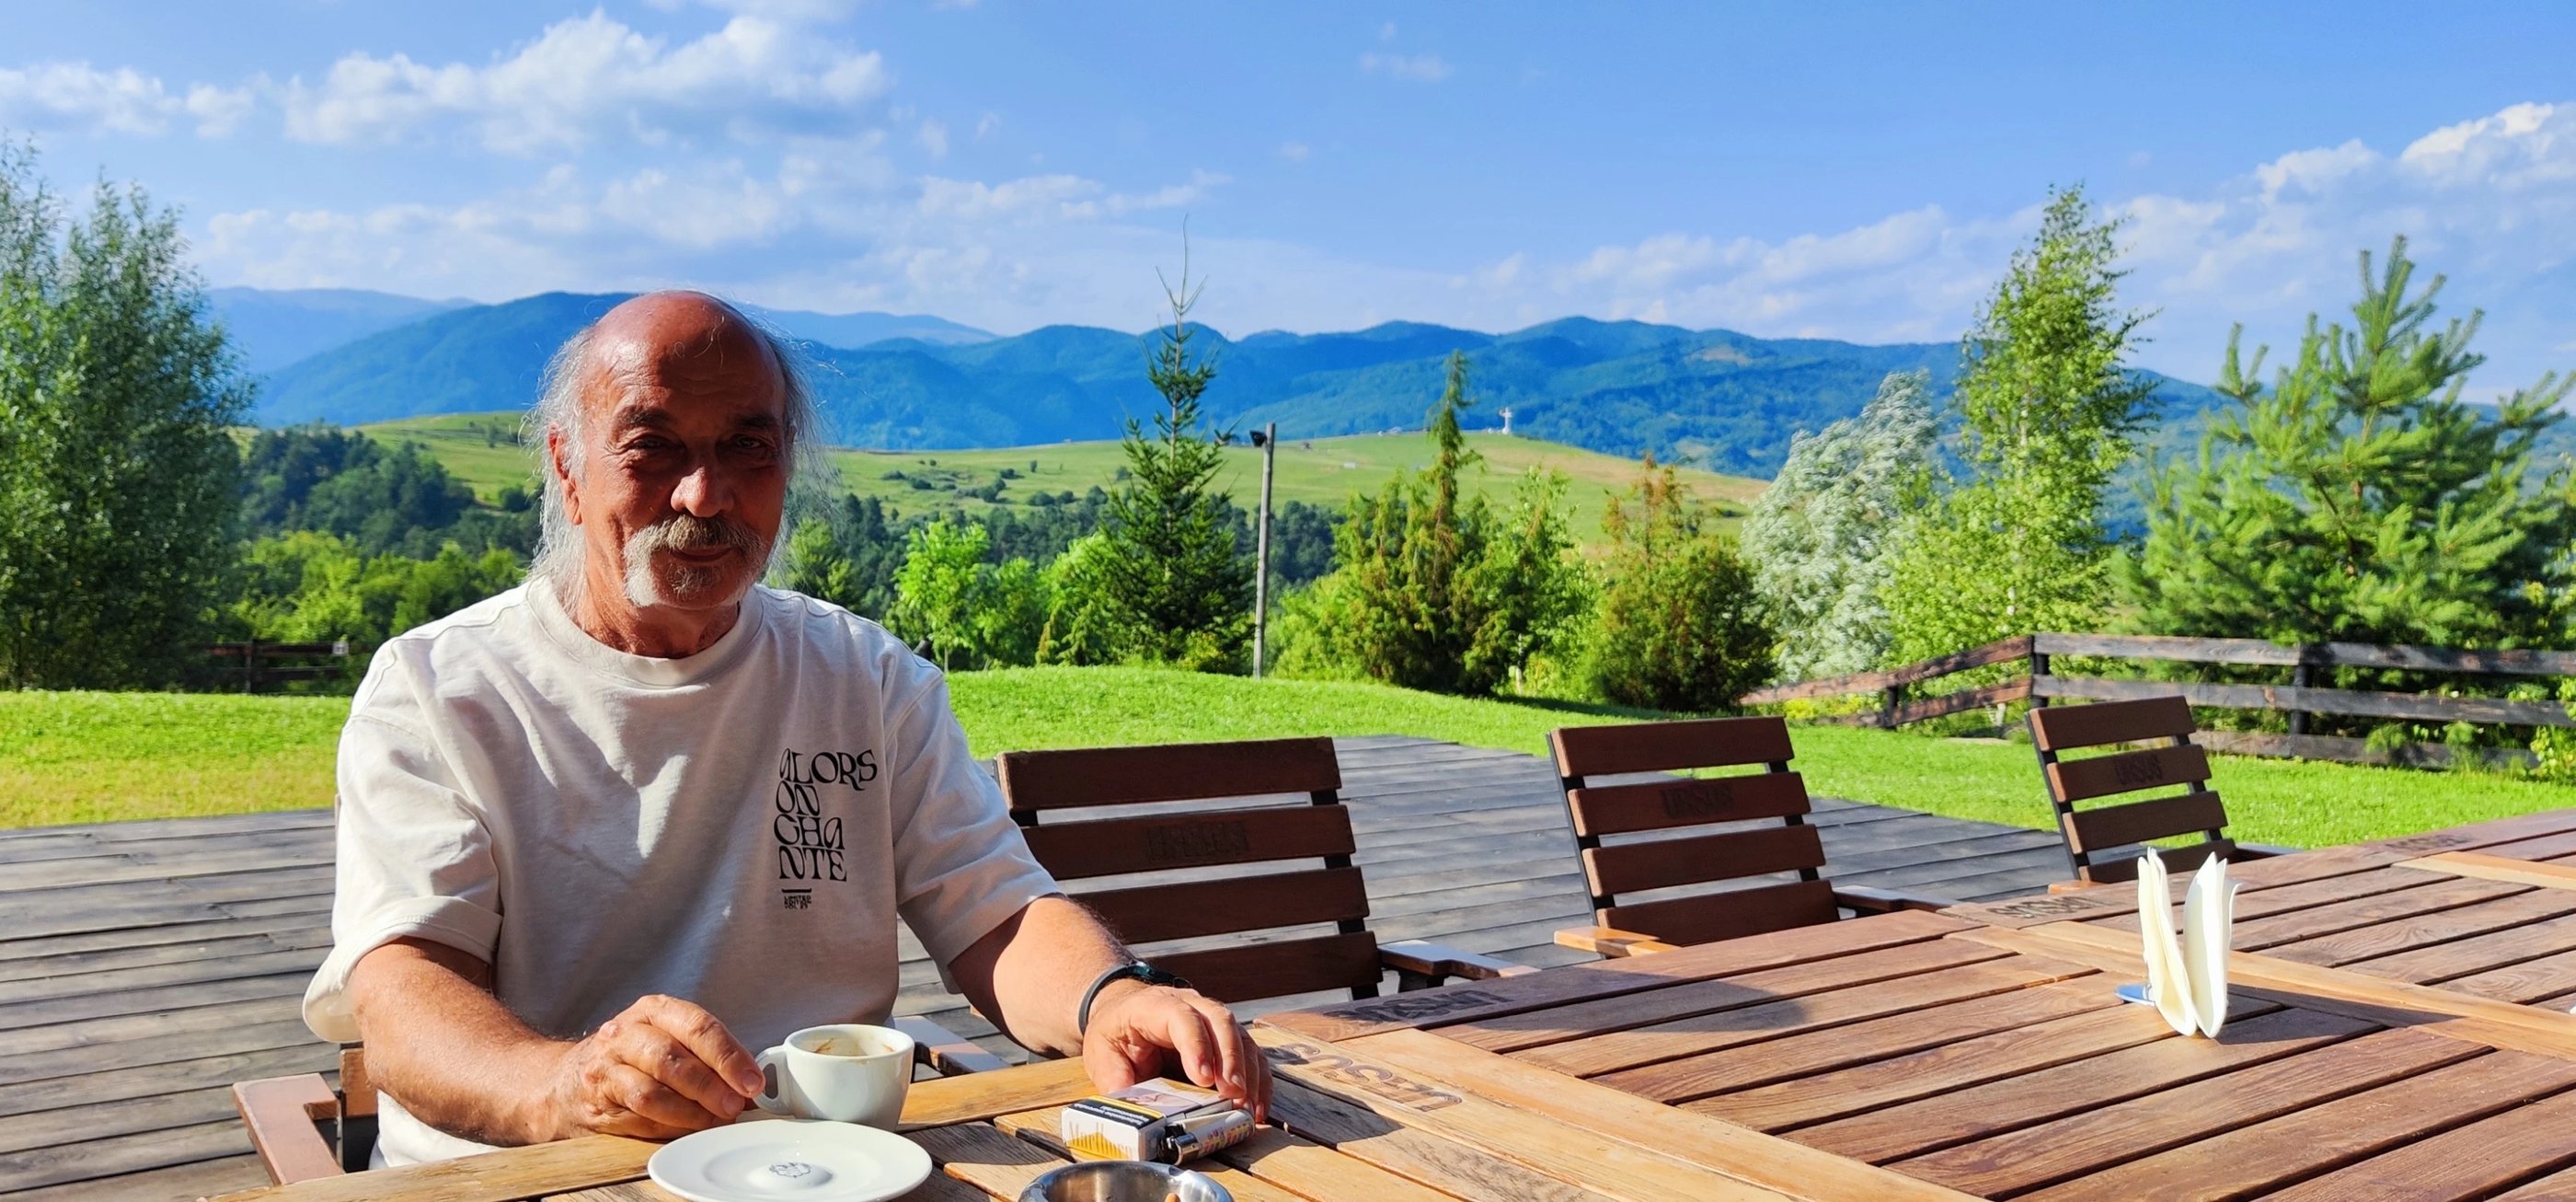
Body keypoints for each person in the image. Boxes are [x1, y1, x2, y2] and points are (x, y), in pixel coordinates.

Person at [301, 291, 1269, 1166]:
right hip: (531, 1174)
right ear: (568, 465)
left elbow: (996, 911)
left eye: (746, 449)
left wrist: (1116, 998)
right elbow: (403, 996)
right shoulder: (440, 688)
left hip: (822, 1173)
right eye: (655, 446)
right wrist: (564, 1084)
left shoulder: (865, 676)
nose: (704, 495)